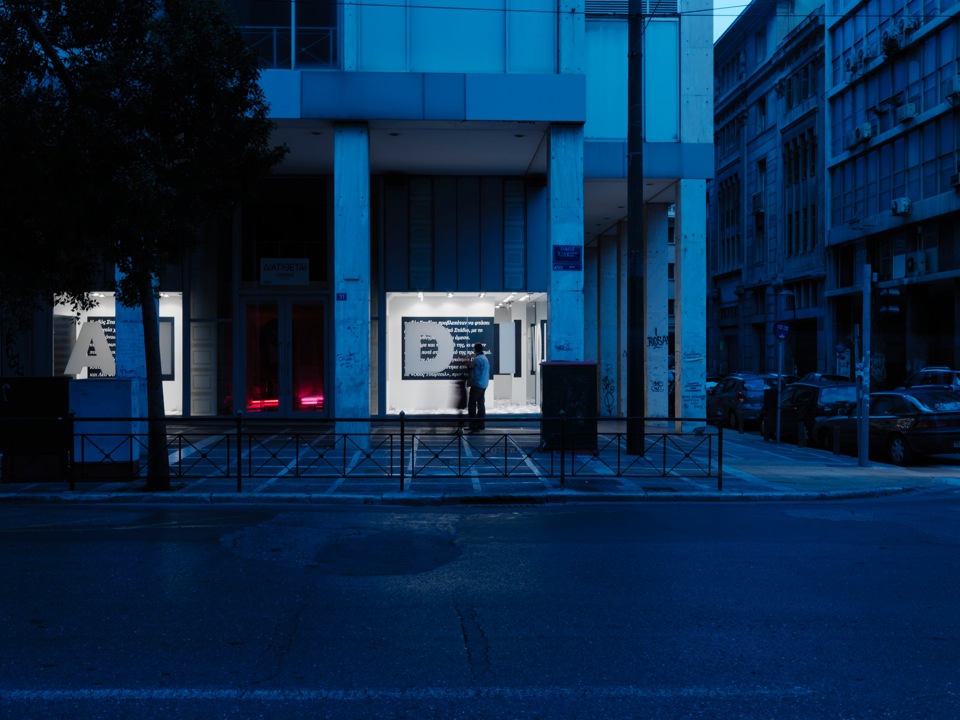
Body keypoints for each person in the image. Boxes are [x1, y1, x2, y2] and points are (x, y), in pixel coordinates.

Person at [467, 342, 490, 431]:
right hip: (483, 385)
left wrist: (468, 362)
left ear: (475, 349)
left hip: (476, 385)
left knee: (472, 405)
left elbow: (470, 368)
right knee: (481, 405)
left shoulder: (477, 359)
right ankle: (481, 424)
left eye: (473, 348)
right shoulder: (485, 358)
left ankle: (473, 426)